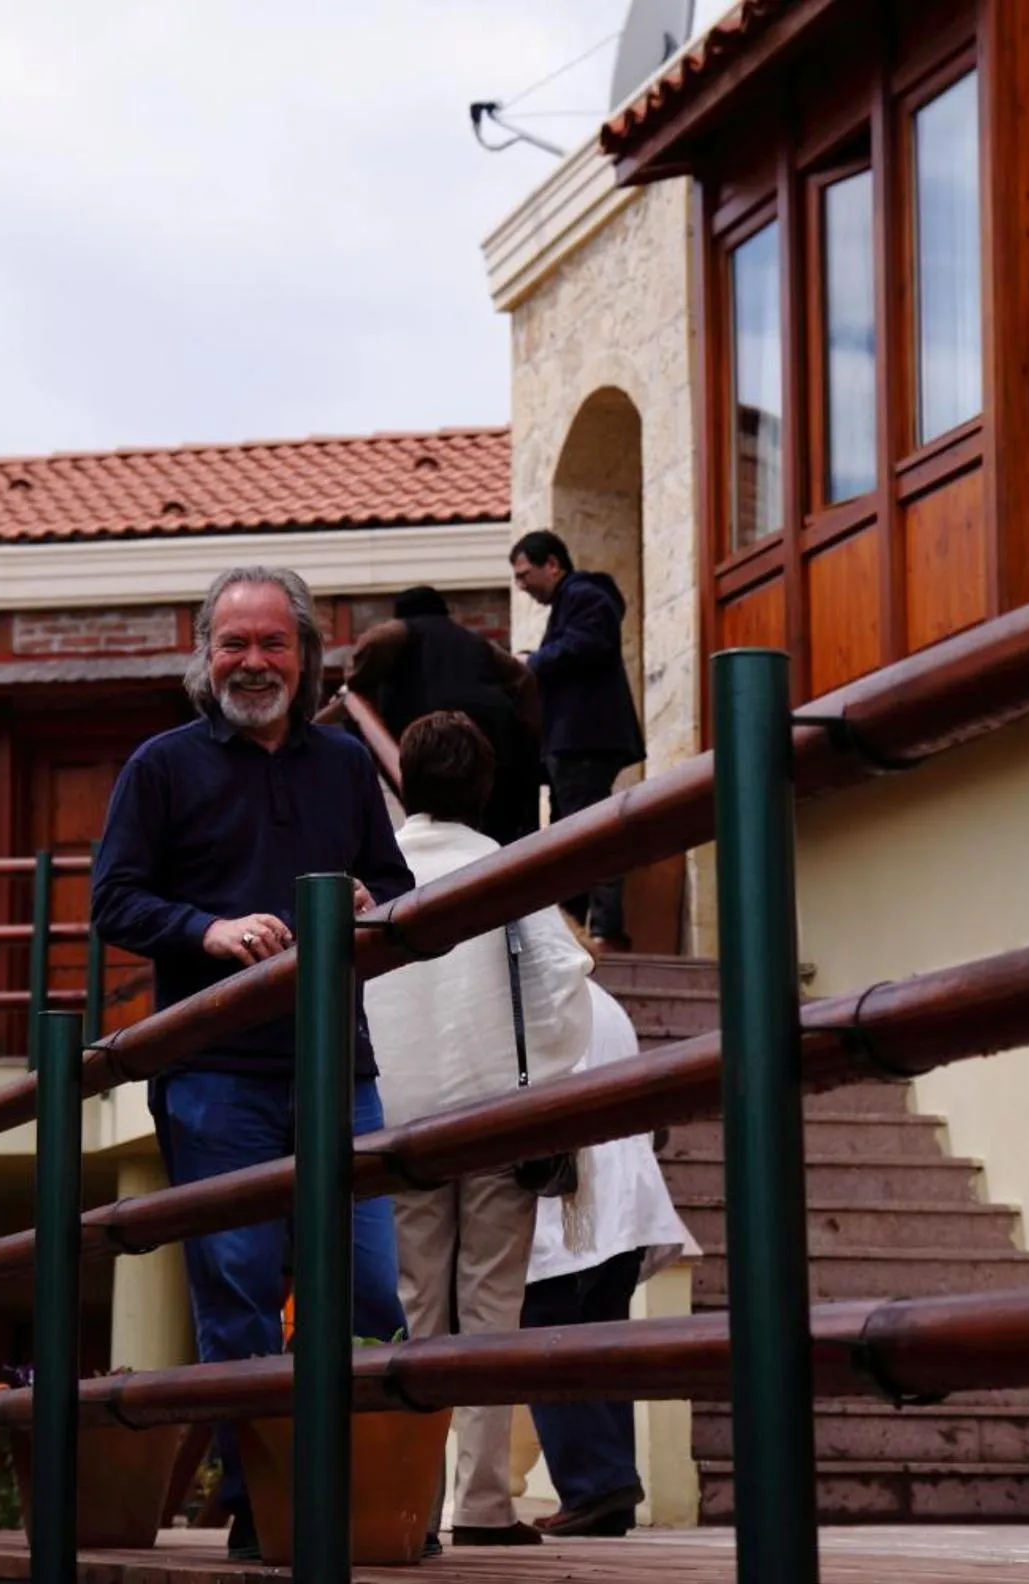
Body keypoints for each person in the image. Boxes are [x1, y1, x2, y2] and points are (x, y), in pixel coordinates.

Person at [90, 564, 415, 1562]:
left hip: (337, 1066)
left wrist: (369, 901)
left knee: (368, 1291)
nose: (253, 661)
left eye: (274, 643)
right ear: (204, 654)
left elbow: (395, 883)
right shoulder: (161, 765)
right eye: (233, 643)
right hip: (214, 1070)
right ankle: (261, 1502)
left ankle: (367, 1494)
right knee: (235, 1293)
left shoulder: (346, 768)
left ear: (307, 654)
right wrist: (208, 929)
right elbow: (115, 902)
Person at [364, 711, 597, 1548]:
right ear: (486, 786)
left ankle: (413, 1504)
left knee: (416, 1308)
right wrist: (538, 1075)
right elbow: (564, 981)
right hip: (495, 1118)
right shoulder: (504, 865)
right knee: (491, 1308)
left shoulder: (377, 870)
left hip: (394, 1123)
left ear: (403, 783)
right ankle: (486, 1505)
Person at [520, 982, 697, 1537]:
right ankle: (608, 1486)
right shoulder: (604, 999)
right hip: (628, 1192)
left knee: (544, 1338)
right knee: (601, 1341)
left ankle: (597, 1483)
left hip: (577, 1195)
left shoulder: (536, 992)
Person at [510, 530, 645, 950]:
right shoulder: (577, 599)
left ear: (553, 564)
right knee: (576, 833)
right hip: (577, 741)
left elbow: (588, 643)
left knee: (587, 832)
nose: (521, 585)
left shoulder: (585, 594)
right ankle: (581, 931)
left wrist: (535, 662)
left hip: (582, 740)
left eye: (524, 574)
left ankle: (602, 931)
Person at [347, 586, 543, 844]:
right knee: (497, 827)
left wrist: (355, 682)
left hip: (438, 738)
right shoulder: (474, 640)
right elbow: (524, 677)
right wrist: (529, 736)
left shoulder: (402, 630)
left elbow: (374, 642)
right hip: (497, 738)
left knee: (442, 820)